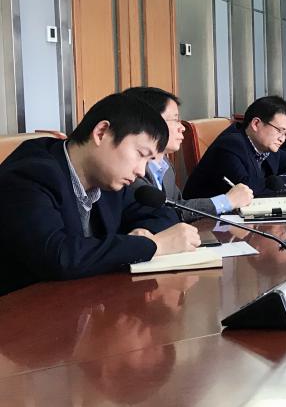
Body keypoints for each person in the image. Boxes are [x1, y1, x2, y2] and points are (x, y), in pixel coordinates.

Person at [0, 93, 201, 296]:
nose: (141, 171)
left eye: (148, 161)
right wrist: (153, 245)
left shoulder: (108, 179)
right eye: (140, 154)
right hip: (23, 307)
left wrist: (142, 231)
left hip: (83, 300)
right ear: (101, 132)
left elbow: (163, 214)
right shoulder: (30, 174)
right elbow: (59, 256)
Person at [122, 87, 253, 224]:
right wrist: (226, 201)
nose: (182, 127)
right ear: (150, 123)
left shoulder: (164, 163)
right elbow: (164, 214)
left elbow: (178, 205)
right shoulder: (132, 171)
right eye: (175, 120)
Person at [182, 96, 286, 200]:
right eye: (280, 130)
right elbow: (248, 190)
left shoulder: (267, 146)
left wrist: (276, 182)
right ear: (256, 124)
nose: (282, 139)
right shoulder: (230, 145)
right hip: (205, 221)